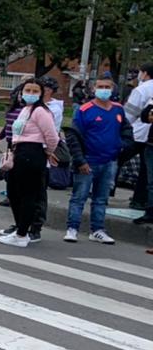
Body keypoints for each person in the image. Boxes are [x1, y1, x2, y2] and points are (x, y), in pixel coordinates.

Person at [63, 76, 134, 243]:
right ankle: (72, 228)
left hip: (109, 161)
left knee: (101, 198)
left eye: (107, 87)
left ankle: (97, 230)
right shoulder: (84, 110)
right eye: (100, 86)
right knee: (79, 197)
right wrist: (80, 160)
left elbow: (127, 130)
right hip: (88, 160)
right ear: (94, 89)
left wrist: (121, 146)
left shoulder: (118, 109)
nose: (104, 90)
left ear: (112, 90)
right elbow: (74, 136)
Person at [0, 77, 59, 248]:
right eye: (27, 90)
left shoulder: (40, 111)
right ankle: (20, 227)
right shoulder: (26, 109)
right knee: (13, 192)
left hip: (32, 153)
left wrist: (47, 152)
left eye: (35, 91)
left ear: (41, 94)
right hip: (19, 152)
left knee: (27, 194)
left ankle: (22, 233)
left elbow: (52, 137)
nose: (30, 94)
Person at [123, 62, 153, 222]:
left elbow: (130, 114)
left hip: (137, 133)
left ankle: (104, 190)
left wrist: (121, 127)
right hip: (147, 136)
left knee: (117, 158)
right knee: (146, 172)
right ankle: (140, 200)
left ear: (145, 73)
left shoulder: (142, 89)